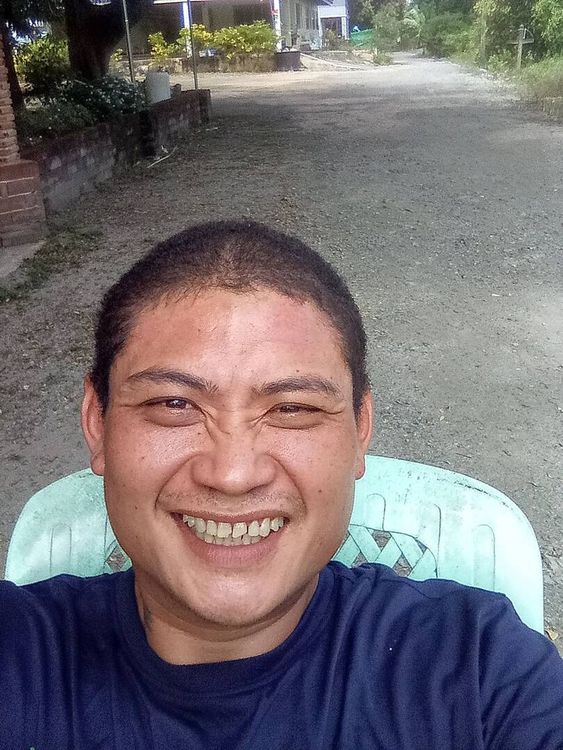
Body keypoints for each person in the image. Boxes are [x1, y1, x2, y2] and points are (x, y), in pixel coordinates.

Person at [1, 220, 562, 749]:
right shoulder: (18, 654)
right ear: (97, 422)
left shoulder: (481, 673)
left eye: (292, 408)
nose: (232, 474)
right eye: (174, 404)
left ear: (360, 431)